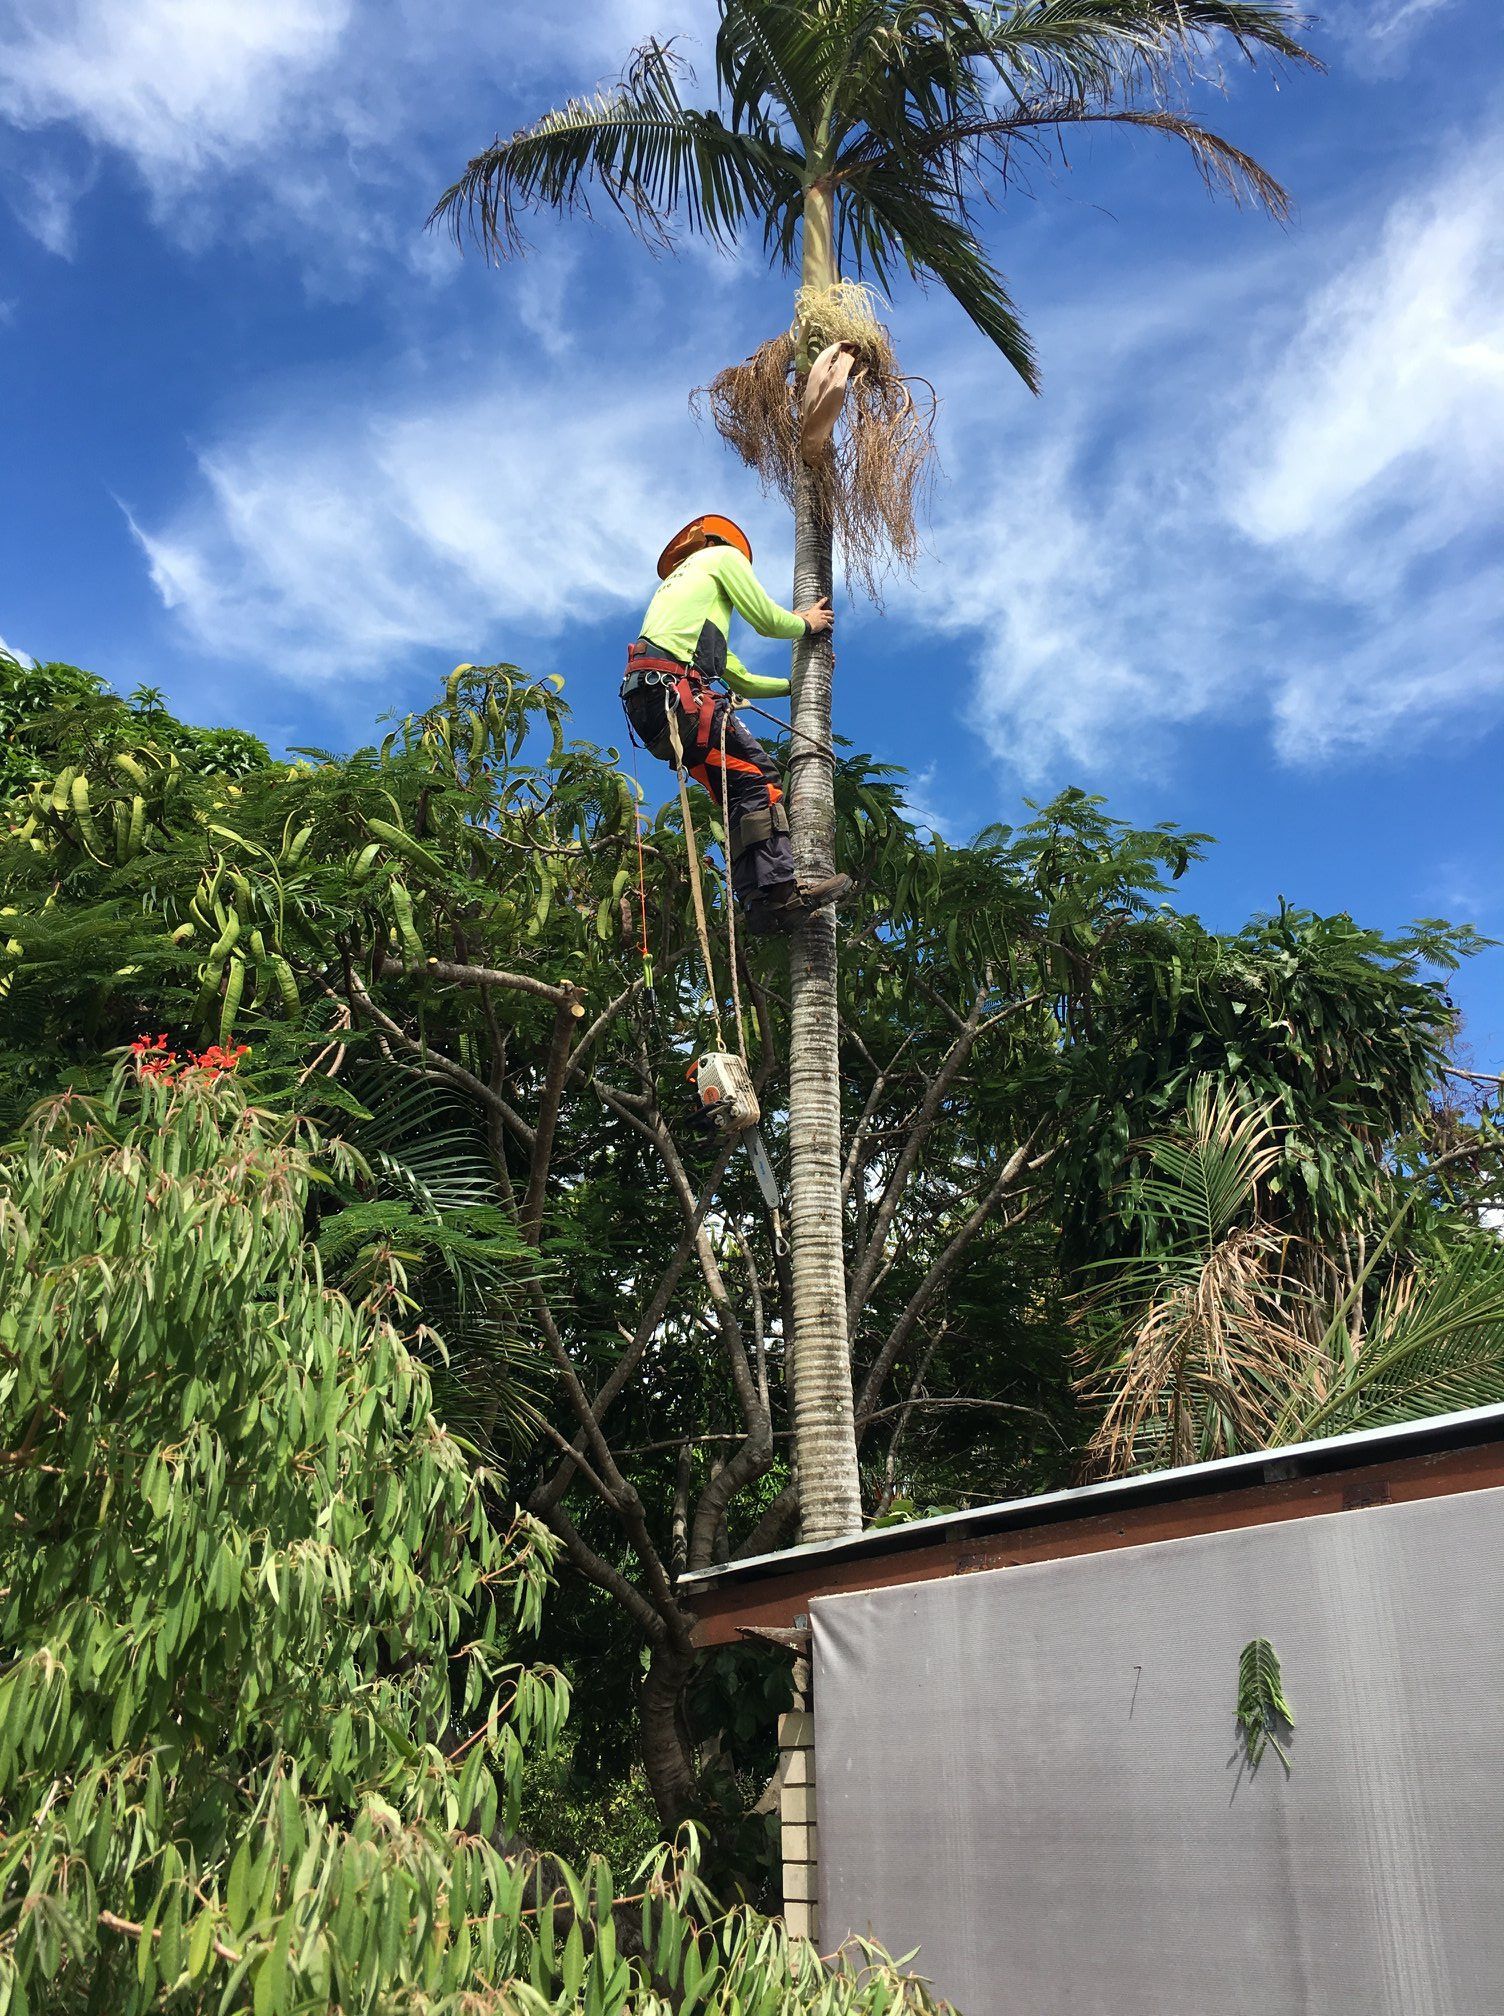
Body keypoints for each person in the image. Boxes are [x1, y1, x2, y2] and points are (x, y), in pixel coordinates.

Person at [620, 513, 850, 936]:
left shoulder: (680, 600)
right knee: (760, 778)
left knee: (739, 794)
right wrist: (807, 624)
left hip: (653, 707)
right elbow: (765, 620)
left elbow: (738, 677)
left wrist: (797, 684)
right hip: (679, 698)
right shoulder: (722, 558)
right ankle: (781, 891)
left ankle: (757, 901)